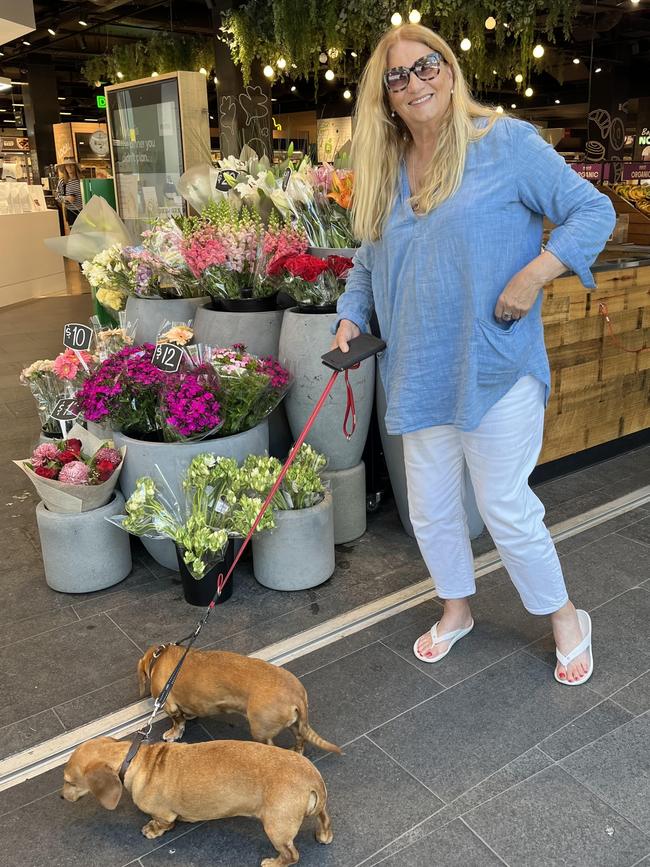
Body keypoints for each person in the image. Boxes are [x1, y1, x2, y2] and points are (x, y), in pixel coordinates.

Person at [332, 23, 616, 686]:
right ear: (386, 97)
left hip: (494, 363)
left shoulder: (506, 144)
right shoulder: (386, 168)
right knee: (431, 505)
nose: (414, 82)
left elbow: (592, 211)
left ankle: (568, 618)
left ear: (450, 70)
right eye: (397, 76)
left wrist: (536, 272)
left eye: (425, 65)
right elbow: (367, 263)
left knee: (505, 505)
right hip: (418, 367)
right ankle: (456, 608)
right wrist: (350, 317)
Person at [55, 158, 83, 227]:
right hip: (71, 212)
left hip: (84, 211)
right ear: (65, 168)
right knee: (74, 234)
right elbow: (57, 197)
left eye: (71, 165)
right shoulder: (63, 182)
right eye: (67, 166)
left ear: (75, 167)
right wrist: (66, 198)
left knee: (85, 233)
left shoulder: (82, 180)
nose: (69, 167)